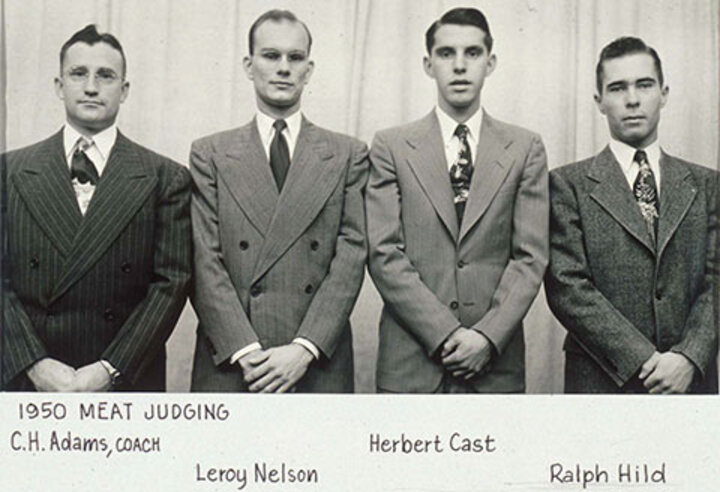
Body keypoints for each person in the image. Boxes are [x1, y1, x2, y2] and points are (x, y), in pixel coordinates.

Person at [366, 7, 549, 393]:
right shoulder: (391, 146)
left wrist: (486, 337)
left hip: (495, 366)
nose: (460, 66)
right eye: (447, 54)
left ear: (491, 62)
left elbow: (531, 256)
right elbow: (384, 253)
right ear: (428, 64)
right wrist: (445, 333)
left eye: (473, 53)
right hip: (411, 368)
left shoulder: (525, 147)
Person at [1, 25, 192, 391]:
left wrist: (109, 368)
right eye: (78, 74)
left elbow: (172, 283)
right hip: (28, 380)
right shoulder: (7, 172)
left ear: (124, 90)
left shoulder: (165, 177)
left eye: (105, 76)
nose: (91, 87)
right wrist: (34, 364)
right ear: (59, 86)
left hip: (123, 380)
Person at [190, 10, 368, 393]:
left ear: (309, 69)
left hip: (315, 362)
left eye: (295, 58)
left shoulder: (347, 154)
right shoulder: (211, 154)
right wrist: (246, 350)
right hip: (236, 363)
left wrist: (303, 349)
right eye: (271, 56)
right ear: (248, 65)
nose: (284, 68)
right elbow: (204, 259)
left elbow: (351, 258)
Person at [545, 37, 718, 393]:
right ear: (600, 102)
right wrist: (644, 359)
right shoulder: (567, 184)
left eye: (644, 85)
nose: (633, 99)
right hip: (601, 381)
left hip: (689, 383)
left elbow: (716, 282)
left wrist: (688, 357)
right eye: (617, 88)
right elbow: (567, 287)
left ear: (664, 94)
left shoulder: (707, 185)